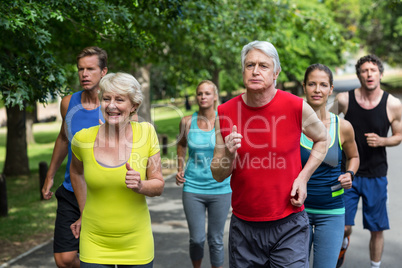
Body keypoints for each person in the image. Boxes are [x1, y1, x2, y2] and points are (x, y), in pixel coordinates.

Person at [210, 40, 328, 268]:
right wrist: (230, 155)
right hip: (244, 228)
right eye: (249, 65)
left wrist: (303, 178)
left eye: (263, 66)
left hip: (289, 224)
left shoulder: (296, 106)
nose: (255, 71)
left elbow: (322, 139)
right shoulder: (224, 113)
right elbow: (217, 173)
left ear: (276, 72)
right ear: (242, 71)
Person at [69, 72, 164, 267]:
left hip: (136, 243)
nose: (111, 105)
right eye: (106, 99)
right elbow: (76, 172)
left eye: (119, 99)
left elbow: (158, 184)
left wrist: (141, 185)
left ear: (133, 106)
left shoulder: (146, 133)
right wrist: (83, 210)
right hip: (94, 241)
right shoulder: (82, 139)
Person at [330, 55, 402, 268]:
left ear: (380, 73)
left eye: (373, 70)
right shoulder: (344, 99)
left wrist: (383, 140)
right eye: (364, 70)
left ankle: (375, 266)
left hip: (376, 175)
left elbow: (399, 135)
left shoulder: (393, 104)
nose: (369, 74)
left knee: (376, 229)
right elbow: (327, 126)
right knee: (342, 226)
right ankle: (343, 243)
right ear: (358, 75)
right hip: (347, 174)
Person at [41, 46, 108, 268]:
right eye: (80, 69)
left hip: (102, 192)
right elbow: (63, 138)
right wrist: (50, 175)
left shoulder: (113, 106)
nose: (84, 74)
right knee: (65, 259)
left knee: (102, 255)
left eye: (90, 69)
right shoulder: (69, 103)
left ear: (104, 71)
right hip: (71, 189)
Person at [301, 64, 359, 268]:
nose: (317, 89)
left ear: (331, 89)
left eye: (323, 85)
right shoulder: (292, 125)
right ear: (304, 87)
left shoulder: (342, 126)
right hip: (297, 211)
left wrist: (350, 173)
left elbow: (354, 156)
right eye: (312, 84)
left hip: (332, 211)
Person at [176, 80, 232, 268]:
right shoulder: (187, 122)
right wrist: (179, 168)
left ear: (215, 96)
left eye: (207, 93)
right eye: (200, 93)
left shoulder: (224, 121)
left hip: (221, 188)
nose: (203, 97)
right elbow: (182, 145)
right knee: (197, 239)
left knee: (216, 239)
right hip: (193, 187)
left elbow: (233, 152)